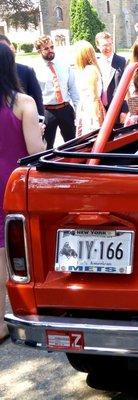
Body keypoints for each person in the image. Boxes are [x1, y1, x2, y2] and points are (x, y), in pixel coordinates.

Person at [0, 44, 45, 343]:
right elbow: (34, 151)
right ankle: (18, 314)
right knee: (16, 254)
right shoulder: (24, 103)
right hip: (11, 183)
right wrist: (41, 132)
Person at [34, 35, 80, 149]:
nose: (50, 50)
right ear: (39, 50)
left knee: (72, 144)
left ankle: (72, 166)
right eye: (46, 48)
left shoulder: (64, 64)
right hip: (47, 111)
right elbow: (34, 94)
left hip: (65, 108)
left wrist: (77, 109)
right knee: (47, 146)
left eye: (52, 47)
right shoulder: (35, 68)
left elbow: (73, 88)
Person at [0, 34, 44, 116]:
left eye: (5, 49)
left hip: (25, 121)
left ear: (11, 48)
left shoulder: (26, 71)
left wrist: (40, 122)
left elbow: (38, 99)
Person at [73, 40, 105, 136]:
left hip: (91, 110)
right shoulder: (89, 69)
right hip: (87, 108)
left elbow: (94, 95)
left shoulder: (90, 70)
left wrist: (98, 117)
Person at [95, 31, 128, 121]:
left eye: (110, 44)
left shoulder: (122, 61)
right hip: (101, 110)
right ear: (97, 46)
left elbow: (127, 88)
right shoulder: (95, 64)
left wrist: (125, 110)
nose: (108, 48)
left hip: (118, 110)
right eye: (104, 45)